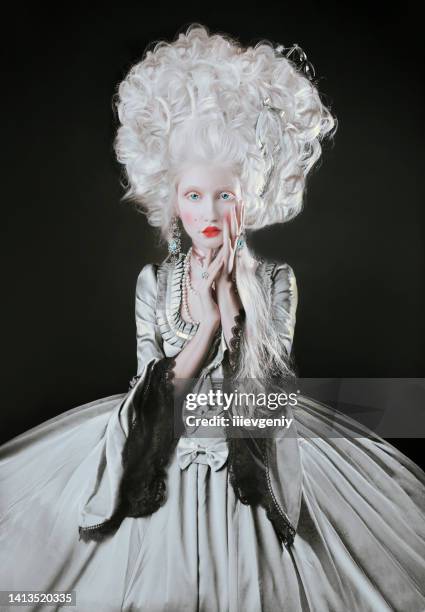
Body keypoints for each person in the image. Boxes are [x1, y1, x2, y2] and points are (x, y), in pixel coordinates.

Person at [1, 24, 424, 612]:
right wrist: (201, 330)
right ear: (171, 198)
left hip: (253, 458)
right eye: (194, 195)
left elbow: (265, 404)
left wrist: (232, 310)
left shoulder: (277, 283)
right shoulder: (154, 284)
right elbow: (151, 407)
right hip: (163, 456)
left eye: (224, 196)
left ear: (247, 199)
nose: (208, 212)